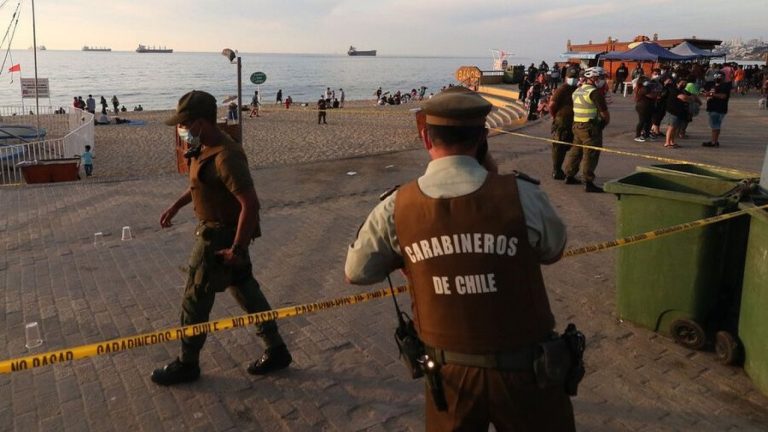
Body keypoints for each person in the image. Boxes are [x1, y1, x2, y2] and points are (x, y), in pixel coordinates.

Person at [344, 87, 575, 431]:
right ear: (483, 137)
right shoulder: (522, 195)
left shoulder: (396, 206)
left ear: (426, 137)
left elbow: (358, 272)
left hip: (448, 376)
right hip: (528, 371)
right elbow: (553, 252)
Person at [152, 90, 292, 386]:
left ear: (202, 122)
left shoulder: (226, 156)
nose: (183, 129)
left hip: (218, 240)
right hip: (224, 236)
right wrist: (175, 206)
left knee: (195, 299)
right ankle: (276, 349)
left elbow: (250, 204)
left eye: (186, 124)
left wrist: (237, 249)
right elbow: (200, 186)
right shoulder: (205, 148)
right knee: (246, 290)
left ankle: (187, 363)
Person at [564, 66, 610, 193]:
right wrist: (604, 123)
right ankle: (588, 181)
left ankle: (569, 175)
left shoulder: (578, 90)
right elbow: (604, 113)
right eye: (601, 77)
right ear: (594, 77)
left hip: (577, 125)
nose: (602, 80)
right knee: (591, 154)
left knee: (576, 151)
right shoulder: (594, 92)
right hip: (590, 127)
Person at [549, 67, 579, 179]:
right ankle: (556, 170)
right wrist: (556, 116)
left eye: (575, 77)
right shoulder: (562, 89)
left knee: (569, 147)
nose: (573, 79)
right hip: (562, 122)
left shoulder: (577, 89)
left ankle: (567, 171)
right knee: (559, 147)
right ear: (566, 77)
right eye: (571, 77)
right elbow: (552, 105)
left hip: (573, 122)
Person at [702, 72, 732, 147]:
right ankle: (714, 141)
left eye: (719, 77)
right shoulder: (712, 85)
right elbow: (705, 91)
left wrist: (711, 94)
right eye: (716, 77)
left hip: (718, 108)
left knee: (715, 126)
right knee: (715, 126)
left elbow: (723, 96)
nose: (717, 78)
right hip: (712, 107)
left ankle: (713, 142)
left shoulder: (725, 86)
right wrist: (706, 93)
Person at [663, 79, 690, 149]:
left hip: (677, 112)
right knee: (671, 127)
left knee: (674, 128)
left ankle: (672, 142)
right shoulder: (675, 90)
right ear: (677, 83)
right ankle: (667, 142)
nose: (684, 84)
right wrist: (690, 98)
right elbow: (683, 97)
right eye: (682, 83)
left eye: (685, 83)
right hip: (673, 112)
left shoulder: (681, 91)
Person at [633, 76, 656, 142]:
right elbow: (652, 95)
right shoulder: (643, 88)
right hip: (642, 107)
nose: (648, 81)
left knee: (648, 121)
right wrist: (655, 92)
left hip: (648, 106)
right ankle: (637, 136)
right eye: (647, 80)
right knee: (642, 121)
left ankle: (647, 135)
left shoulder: (646, 88)